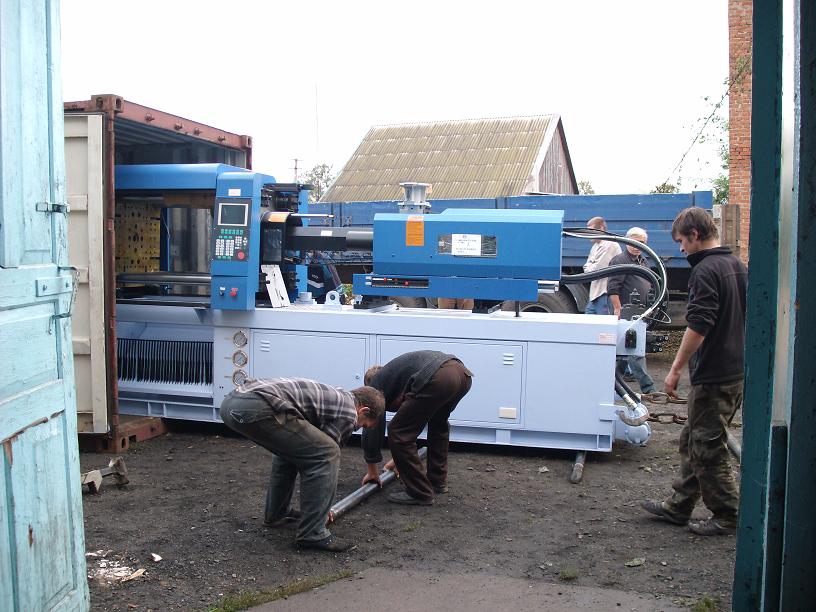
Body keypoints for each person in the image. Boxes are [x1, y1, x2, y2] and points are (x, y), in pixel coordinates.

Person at [641, 207, 747, 536]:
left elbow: (699, 325)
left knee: (707, 446)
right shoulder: (736, 265)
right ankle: (679, 505)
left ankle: (728, 514)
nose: (681, 248)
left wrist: (674, 369)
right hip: (734, 369)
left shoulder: (705, 270)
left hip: (714, 374)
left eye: (682, 241)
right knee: (693, 438)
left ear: (695, 235)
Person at [219, 377, 385, 552]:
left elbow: (308, 449)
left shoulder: (337, 395)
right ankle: (312, 533)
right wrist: (322, 510)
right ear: (364, 410)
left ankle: (277, 514)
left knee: (293, 452)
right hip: (255, 406)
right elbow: (324, 459)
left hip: (233, 401)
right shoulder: (349, 413)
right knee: (327, 453)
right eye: (364, 425)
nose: (358, 428)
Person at [362, 350, 473, 505]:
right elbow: (413, 422)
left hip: (440, 376)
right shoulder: (399, 377)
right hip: (462, 374)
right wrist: (400, 460)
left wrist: (372, 471)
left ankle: (420, 492)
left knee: (397, 431)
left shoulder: (375, 388)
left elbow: (372, 427)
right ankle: (437, 482)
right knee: (438, 424)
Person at [607, 227, 657, 396]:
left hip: (639, 312)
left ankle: (611, 384)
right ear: (627, 241)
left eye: (641, 243)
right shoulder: (620, 260)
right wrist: (617, 309)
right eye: (634, 242)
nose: (637, 246)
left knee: (624, 352)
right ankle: (649, 389)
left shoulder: (643, 261)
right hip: (626, 313)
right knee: (634, 350)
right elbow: (613, 287)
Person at [582, 216, 622, 315]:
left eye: (591, 231)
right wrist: (590, 266)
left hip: (605, 293)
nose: (588, 234)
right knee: (587, 321)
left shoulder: (610, 244)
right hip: (595, 294)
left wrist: (590, 265)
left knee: (603, 323)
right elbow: (586, 268)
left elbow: (597, 270)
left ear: (601, 229)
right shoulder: (595, 246)